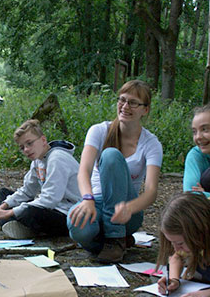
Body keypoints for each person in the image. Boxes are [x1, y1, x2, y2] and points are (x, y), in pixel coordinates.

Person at [67, 80, 163, 263]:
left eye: (133, 103)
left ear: (145, 109)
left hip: (127, 210)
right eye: (122, 100)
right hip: (96, 202)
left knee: (111, 155)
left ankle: (116, 238)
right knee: (78, 227)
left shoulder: (151, 144)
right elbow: (83, 171)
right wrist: (87, 199)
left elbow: (151, 192)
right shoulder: (98, 131)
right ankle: (107, 242)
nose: (125, 106)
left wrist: (130, 208)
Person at [0, 119, 80, 239]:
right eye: (22, 147)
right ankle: (12, 225)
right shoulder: (37, 160)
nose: (26, 150)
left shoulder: (57, 159)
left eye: (29, 143)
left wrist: (10, 212)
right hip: (53, 208)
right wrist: (3, 207)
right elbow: (27, 191)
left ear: (43, 140)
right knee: (3, 194)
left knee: (28, 213)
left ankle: (13, 223)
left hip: (69, 214)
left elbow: (49, 199)